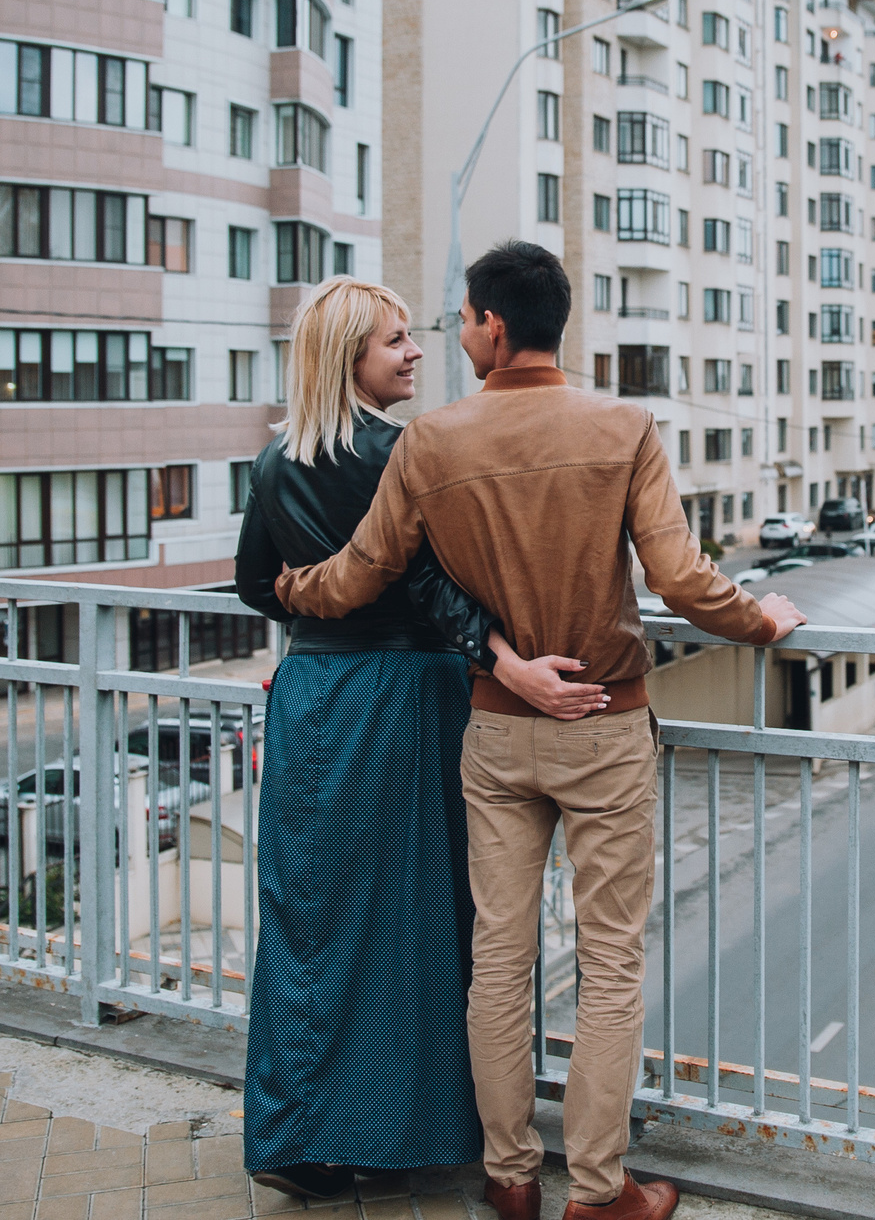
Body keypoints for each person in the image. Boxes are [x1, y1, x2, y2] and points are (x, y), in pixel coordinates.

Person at [273, 241, 805, 1220]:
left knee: (499, 959)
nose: (455, 334)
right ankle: (599, 1190)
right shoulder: (622, 425)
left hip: (497, 731)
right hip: (604, 725)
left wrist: (288, 586)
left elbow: (358, 570)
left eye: (463, 318)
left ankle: (509, 1175)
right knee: (608, 961)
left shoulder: (433, 440)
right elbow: (681, 581)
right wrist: (763, 619)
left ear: (494, 325)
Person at [234, 277, 520, 1201]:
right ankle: (403, 1129)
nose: (414, 352)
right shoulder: (406, 451)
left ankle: (298, 1134)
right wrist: (504, 656)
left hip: (313, 688)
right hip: (404, 693)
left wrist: (308, 605)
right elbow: (445, 586)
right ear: (348, 356)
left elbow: (251, 581)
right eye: (396, 341)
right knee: (415, 914)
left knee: (308, 915)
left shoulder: (277, 458)